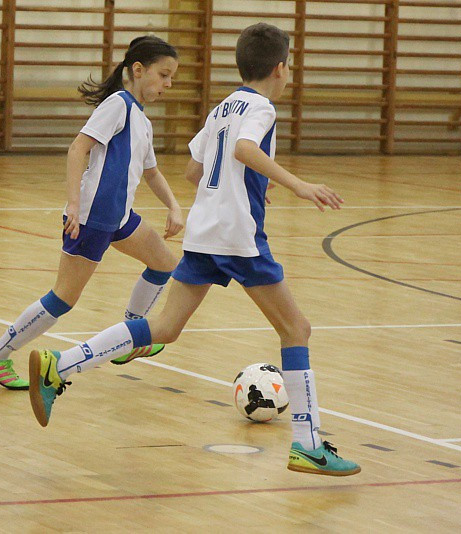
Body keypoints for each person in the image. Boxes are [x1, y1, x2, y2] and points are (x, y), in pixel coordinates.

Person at [28, 23, 361, 477]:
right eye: (290, 67)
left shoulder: (224, 106)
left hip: (204, 233)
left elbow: (193, 169)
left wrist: (246, 184)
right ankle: (308, 444)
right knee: (296, 329)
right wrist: (297, 184)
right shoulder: (261, 107)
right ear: (280, 69)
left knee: (163, 327)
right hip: (238, 237)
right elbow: (244, 149)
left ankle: (59, 365)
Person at [0, 35, 184, 390]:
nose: (168, 84)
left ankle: (134, 334)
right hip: (92, 218)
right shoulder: (117, 104)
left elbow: (151, 172)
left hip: (119, 218)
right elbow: (77, 149)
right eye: (163, 75)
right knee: (62, 299)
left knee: (165, 264)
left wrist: (175, 206)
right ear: (137, 70)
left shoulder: (142, 120)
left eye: (172, 78)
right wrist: (73, 204)